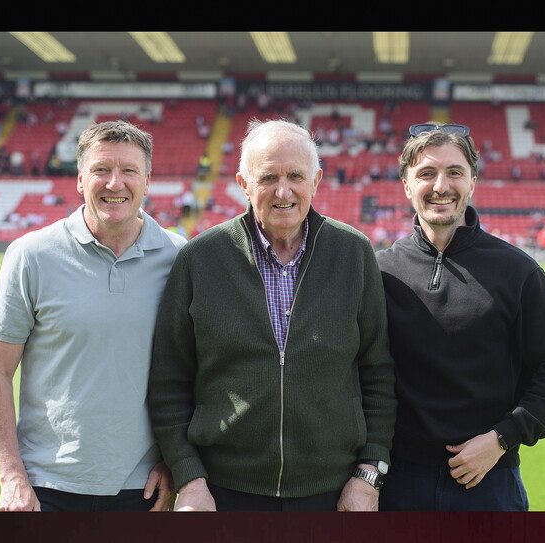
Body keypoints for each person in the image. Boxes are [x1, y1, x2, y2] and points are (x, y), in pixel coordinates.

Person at [148, 119, 397, 512]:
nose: (284, 191)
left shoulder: (354, 253)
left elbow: (378, 374)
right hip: (223, 495)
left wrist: (369, 474)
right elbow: (168, 384)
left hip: (331, 496)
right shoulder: (200, 259)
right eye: (268, 177)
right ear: (244, 184)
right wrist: (189, 477)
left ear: (315, 181)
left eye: (296, 175)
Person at [0, 120, 186, 512]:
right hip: (47, 485)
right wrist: (11, 478)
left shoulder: (179, 257)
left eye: (128, 171)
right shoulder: (31, 255)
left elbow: (196, 374)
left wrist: (178, 463)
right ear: (79, 179)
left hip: (143, 488)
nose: (114, 183)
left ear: (147, 180)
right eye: (101, 170)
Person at [375, 122, 545, 511]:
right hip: (397, 483)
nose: (441, 186)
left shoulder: (518, 272)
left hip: (488, 483)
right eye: (426, 173)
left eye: (455, 172)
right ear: (406, 185)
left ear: (473, 183)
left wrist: (503, 438)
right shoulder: (378, 271)